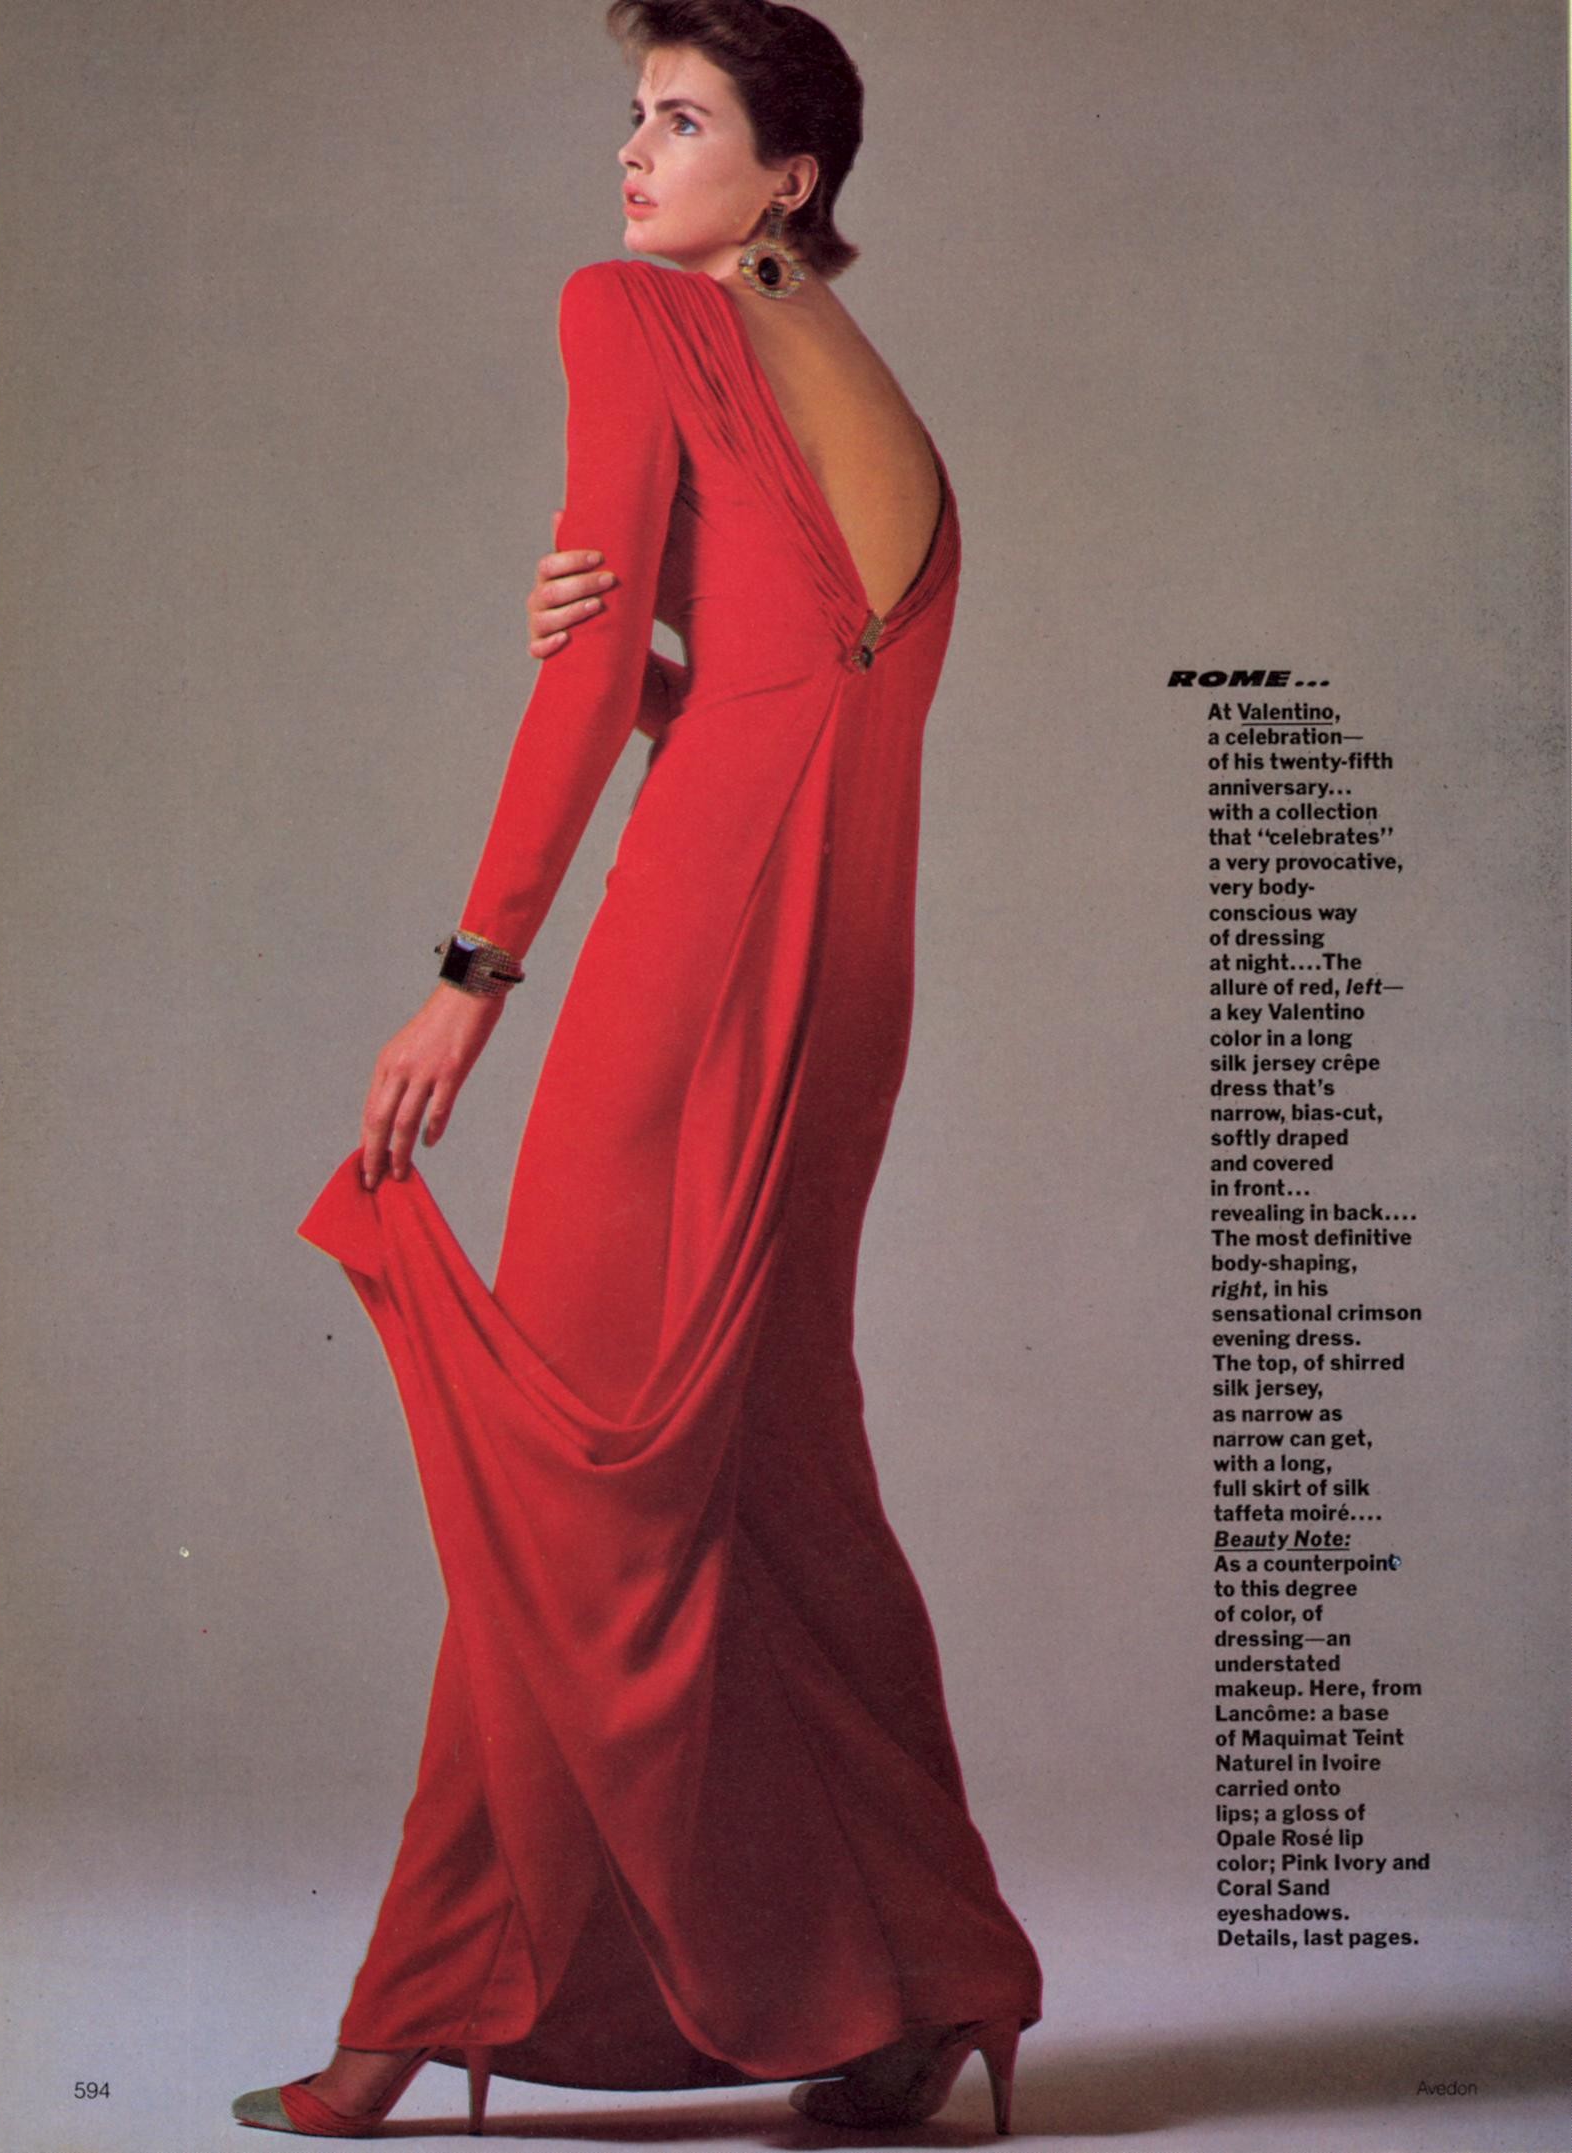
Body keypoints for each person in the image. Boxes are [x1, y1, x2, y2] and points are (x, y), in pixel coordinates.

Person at [233, 0, 1042, 2136]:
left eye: (683, 120)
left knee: (575, 1482)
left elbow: (594, 688)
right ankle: (929, 1983)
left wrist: (469, 975)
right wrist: (670, 661)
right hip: (843, 981)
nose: (633, 152)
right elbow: (816, 689)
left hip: (689, 968)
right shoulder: (881, 406)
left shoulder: (637, 316)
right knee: (774, 1475)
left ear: (790, 177)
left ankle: (428, 2003)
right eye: (634, 113)